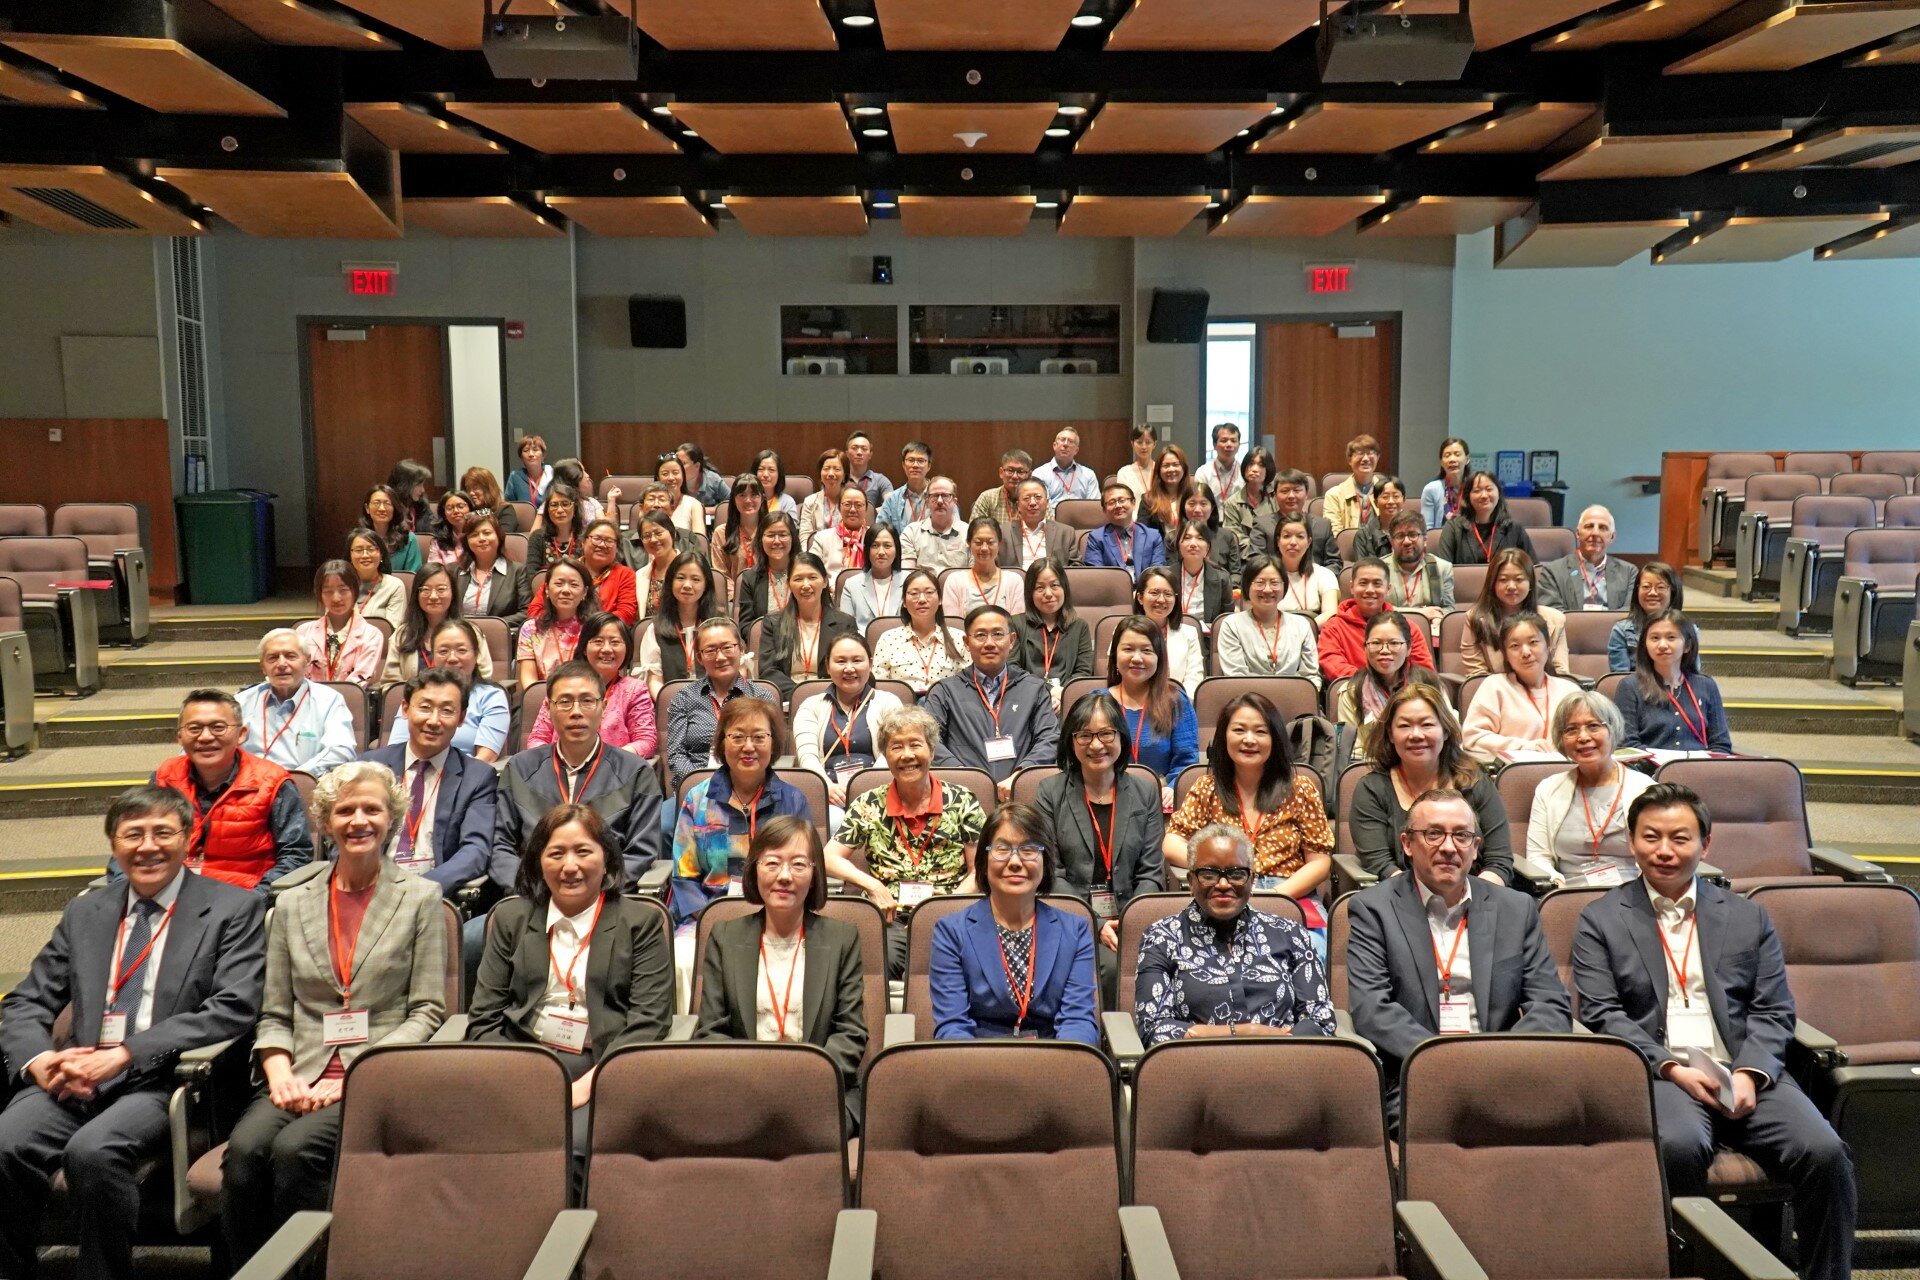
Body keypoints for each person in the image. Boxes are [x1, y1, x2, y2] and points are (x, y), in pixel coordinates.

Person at [1573, 784, 1856, 1280]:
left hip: (1745, 1069)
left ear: (1706, 844)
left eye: (1680, 838)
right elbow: (1601, 1013)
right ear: (1631, 842)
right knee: (1677, 1147)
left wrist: (1749, 1073)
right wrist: (1672, 1068)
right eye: (1651, 837)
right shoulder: (1601, 919)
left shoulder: (1748, 916)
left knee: (1826, 1153)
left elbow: (1774, 1010)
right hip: (1663, 1073)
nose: (1664, 850)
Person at [0, 787, 266, 1280]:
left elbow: (233, 1007)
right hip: (73, 1074)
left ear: (189, 838)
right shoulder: (87, 912)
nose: (148, 846)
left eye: (163, 832)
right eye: (133, 834)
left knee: (93, 1153)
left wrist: (125, 1053)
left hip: (161, 1077)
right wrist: (39, 1061)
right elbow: (27, 999)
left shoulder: (233, 909)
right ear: (114, 844)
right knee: (5, 1142)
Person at [219, 761, 446, 1265]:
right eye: (344, 810)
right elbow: (275, 1012)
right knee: (244, 1153)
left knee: (295, 1152)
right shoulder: (290, 904)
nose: (358, 820)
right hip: (299, 1071)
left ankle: (307, 1270)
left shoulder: (421, 900)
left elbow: (428, 1012)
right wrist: (279, 1074)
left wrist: (357, 1074)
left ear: (392, 819)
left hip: (378, 1073)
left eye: (372, 809)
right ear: (324, 823)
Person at [1345, 787, 1571, 1117]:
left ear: (1476, 848)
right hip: (1418, 1077)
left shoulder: (1515, 908)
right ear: (1407, 844)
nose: (1449, 848)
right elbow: (1371, 1009)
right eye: (1434, 834)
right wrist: (1445, 1063)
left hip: (1504, 1075)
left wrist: (1497, 1062)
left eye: (1461, 836)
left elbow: (1550, 1005)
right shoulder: (1373, 909)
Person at [469, 803, 671, 1150]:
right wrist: (532, 1081)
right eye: (556, 854)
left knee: (572, 1145)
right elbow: (483, 1021)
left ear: (606, 858)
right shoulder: (511, 918)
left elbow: (648, 1023)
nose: (570, 867)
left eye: (583, 852)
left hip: (604, 1062)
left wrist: (590, 1083)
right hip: (522, 1060)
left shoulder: (640, 922)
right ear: (537, 861)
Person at [695, 817, 868, 1104]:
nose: (785, 876)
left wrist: (805, 1082)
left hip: (818, 1093)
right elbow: (711, 1032)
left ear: (815, 874)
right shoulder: (725, 937)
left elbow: (850, 1033)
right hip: (743, 1093)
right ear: (755, 870)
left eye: (798, 864)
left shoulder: (842, 938)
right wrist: (758, 1084)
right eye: (772, 863)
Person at [1135, 823, 1334, 1046]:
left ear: (1252, 880)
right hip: (1198, 1069)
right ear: (1191, 881)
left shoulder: (1290, 933)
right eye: (1209, 874)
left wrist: (1278, 1048)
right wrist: (1248, 1032)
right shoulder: (1162, 937)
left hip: (1284, 1065)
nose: (1222, 884)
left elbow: (1321, 1019)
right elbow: (1153, 1028)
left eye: (1236, 874)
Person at [824, 706, 987, 977]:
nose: (907, 755)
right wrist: (873, 886)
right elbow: (828, 857)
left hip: (952, 914)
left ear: (932, 751)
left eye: (915, 745)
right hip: (891, 920)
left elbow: (979, 870)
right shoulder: (869, 803)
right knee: (875, 963)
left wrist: (942, 909)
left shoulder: (962, 800)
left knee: (970, 968)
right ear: (886, 756)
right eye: (896, 747)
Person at [929, 804, 1099, 1045]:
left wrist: (1063, 1070)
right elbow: (952, 1025)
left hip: (1055, 1061)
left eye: (1029, 850)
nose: (1015, 862)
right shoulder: (951, 932)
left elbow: (1078, 1020)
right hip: (978, 1063)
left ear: (1045, 860)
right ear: (983, 860)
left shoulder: (1075, 931)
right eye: (1002, 849)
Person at [1036, 692, 1166, 1003]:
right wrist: (1096, 923)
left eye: (1106, 733)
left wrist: (1131, 921)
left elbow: (1151, 870)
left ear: (1121, 737)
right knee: (1109, 966)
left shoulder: (1144, 790)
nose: (1096, 745)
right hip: (1072, 914)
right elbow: (1051, 872)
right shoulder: (1050, 792)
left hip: (1132, 913)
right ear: (1071, 741)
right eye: (1085, 735)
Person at [494, 661, 664, 896]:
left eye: (587, 701)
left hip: (606, 902)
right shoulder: (520, 769)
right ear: (548, 708)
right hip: (532, 900)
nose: (576, 712)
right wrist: (535, 891)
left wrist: (589, 895)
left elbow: (641, 853)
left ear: (603, 707)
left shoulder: (635, 772)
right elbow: (500, 847)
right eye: (564, 702)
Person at [1162, 694, 1333, 923]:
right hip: (1222, 891)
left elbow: (1320, 862)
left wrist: (1275, 896)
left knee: (1312, 954)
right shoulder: (1207, 787)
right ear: (1224, 736)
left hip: (1287, 892)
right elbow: (1172, 843)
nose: (1249, 740)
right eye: (1239, 730)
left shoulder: (1300, 789)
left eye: (1261, 732)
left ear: (1275, 739)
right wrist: (1219, 870)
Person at [668, 696, 812, 925]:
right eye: (737, 737)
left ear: (773, 743)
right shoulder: (697, 799)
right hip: (707, 917)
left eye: (758, 737)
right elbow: (685, 877)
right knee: (685, 960)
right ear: (722, 743)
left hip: (778, 918)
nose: (748, 747)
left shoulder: (793, 801)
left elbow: (804, 872)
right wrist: (712, 921)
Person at [1349, 684, 1512, 884]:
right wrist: (1422, 901)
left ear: (1445, 730)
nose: (1416, 734)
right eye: (1404, 725)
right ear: (1390, 734)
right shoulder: (1372, 789)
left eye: (1427, 725)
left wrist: (1470, 902)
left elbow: (1499, 862)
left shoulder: (1475, 782)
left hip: (1475, 898)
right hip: (1403, 901)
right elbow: (1380, 864)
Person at [150, 690, 311, 893]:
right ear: (180, 737)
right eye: (194, 728)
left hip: (242, 899)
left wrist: (254, 901)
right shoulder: (165, 777)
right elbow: (134, 839)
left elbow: (296, 855)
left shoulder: (272, 781)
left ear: (241, 734)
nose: (206, 737)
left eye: (218, 727)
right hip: (171, 895)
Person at [357, 669, 499, 895]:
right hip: (370, 890)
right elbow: (347, 837)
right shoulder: (370, 766)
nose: (434, 720)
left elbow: (476, 851)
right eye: (425, 707)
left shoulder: (477, 777)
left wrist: (420, 890)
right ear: (405, 709)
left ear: (461, 718)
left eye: (447, 711)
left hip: (434, 894)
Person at [922, 604, 1059, 800]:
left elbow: (1049, 738)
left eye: (997, 634)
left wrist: (1021, 775)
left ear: (1011, 641)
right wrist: (965, 777)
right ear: (966, 642)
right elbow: (929, 740)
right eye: (980, 635)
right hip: (962, 797)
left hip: (1020, 795)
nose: (989, 643)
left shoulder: (1033, 688)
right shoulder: (945, 691)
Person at [1529, 691, 1654, 887]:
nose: (1583, 737)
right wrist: (1555, 884)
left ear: (1612, 730)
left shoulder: (1644, 788)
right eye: (1571, 730)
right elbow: (1538, 857)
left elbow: (1656, 855)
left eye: (1594, 726)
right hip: (1568, 895)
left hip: (1633, 896)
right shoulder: (1548, 789)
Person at [663, 618, 779, 792]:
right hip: (697, 791)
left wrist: (737, 786)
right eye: (710, 650)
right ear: (700, 658)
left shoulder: (761, 697)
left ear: (741, 649)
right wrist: (706, 787)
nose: (720, 657)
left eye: (727, 648)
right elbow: (676, 755)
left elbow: (772, 750)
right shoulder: (684, 698)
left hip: (750, 789)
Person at [794, 633, 904, 811]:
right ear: (827, 667)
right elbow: (807, 757)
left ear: (870, 663)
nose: (849, 668)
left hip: (880, 792)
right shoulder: (811, 706)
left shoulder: (889, 703)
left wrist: (866, 788)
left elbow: (892, 753)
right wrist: (826, 787)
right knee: (834, 820)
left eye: (857, 660)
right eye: (841, 661)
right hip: (829, 794)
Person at [1461, 612, 1584, 764]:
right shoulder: (1495, 687)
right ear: (1505, 654)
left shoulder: (1570, 691)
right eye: (1514, 646)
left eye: (1533, 642)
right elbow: (1473, 737)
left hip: (1567, 771)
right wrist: (1524, 746)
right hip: (1516, 775)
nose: (1525, 652)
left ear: (1548, 646)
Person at [527, 613, 657, 757]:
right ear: (584, 647)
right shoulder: (563, 686)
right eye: (598, 641)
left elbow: (646, 741)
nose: (607, 649)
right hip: (560, 772)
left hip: (614, 773)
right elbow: (537, 739)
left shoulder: (635, 690)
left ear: (627, 649)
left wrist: (607, 760)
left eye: (615, 642)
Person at [385, 619, 508, 762]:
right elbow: (395, 749)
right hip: (411, 774)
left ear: (475, 655)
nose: (452, 658)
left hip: (463, 778)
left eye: (461, 650)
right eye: (443, 651)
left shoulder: (491, 697)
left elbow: (485, 758)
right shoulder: (418, 694)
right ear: (433, 656)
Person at [238, 629, 357, 775]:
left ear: (307, 661)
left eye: (290, 656)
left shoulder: (329, 700)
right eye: (273, 658)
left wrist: (296, 778)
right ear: (263, 667)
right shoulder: (241, 702)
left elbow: (341, 750)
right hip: (250, 786)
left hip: (304, 786)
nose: (281, 664)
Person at [1105, 616, 1199, 798]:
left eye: (1147, 650)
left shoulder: (1176, 701)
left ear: (1159, 657)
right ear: (1115, 655)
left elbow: (1186, 760)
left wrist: (1172, 788)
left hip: (1159, 796)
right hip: (1106, 795)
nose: (1137, 658)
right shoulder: (1097, 702)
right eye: (1128, 649)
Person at [1616, 610, 1734, 754]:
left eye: (1671, 638)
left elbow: (1721, 744)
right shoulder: (1630, 686)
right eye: (1654, 638)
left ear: (1687, 646)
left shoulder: (1706, 685)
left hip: (1698, 770)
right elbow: (1626, 744)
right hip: (1649, 771)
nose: (1662, 645)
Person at [1334, 612, 1447, 758]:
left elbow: (1450, 734)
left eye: (1394, 643)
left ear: (1409, 648)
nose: (1385, 650)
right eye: (1376, 643)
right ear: (1365, 648)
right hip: (1376, 770)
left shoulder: (1430, 685)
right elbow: (1353, 751)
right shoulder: (1352, 692)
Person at [757, 552, 861, 702]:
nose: (806, 585)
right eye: (798, 579)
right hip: (787, 701)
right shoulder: (773, 623)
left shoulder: (845, 623)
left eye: (812, 578)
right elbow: (768, 671)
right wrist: (801, 695)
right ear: (789, 585)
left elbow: (850, 668)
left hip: (832, 699)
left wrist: (822, 696)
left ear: (825, 581)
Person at [1317, 557, 1436, 681]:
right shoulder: (1334, 627)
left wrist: (1395, 687)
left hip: (1403, 695)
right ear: (1351, 587)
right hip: (1355, 693)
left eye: (1377, 584)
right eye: (1363, 583)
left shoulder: (1408, 627)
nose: (1370, 590)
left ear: (1388, 589)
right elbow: (1333, 666)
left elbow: (1424, 671)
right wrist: (1374, 685)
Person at [1461, 547, 1570, 679]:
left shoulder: (1555, 620)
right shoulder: (1476, 619)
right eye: (1503, 580)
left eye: (1519, 579)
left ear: (1530, 583)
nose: (1511, 586)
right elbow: (1477, 677)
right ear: (1492, 584)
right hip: (1497, 694)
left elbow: (1561, 673)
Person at [383, 563, 496, 687]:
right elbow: (391, 686)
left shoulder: (471, 632)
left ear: (453, 592)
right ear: (416, 595)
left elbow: (484, 678)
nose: (433, 596)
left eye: (441, 589)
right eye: (425, 590)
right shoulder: (402, 635)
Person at [1215, 555, 1319, 684]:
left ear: (1284, 586)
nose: (1268, 589)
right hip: (1248, 700)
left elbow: (1311, 676)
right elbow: (1237, 678)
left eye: (1275, 583)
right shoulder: (1232, 625)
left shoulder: (1301, 625)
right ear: (1247, 586)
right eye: (1260, 583)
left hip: (1292, 700)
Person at [871, 568, 969, 694]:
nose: (922, 599)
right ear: (904, 602)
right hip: (901, 709)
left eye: (929, 592)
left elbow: (966, 686)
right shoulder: (888, 638)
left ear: (939, 600)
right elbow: (880, 687)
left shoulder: (958, 638)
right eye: (914, 594)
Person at [634, 552, 719, 697]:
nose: (687, 585)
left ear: (706, 585)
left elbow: (735, 672)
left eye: (696, 579)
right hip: (672, 709)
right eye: (680, 578)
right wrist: (674, 707)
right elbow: (654, 681)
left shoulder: (720, 626)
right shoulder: (655, 630)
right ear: (670, 582)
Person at [1011, 556, 1093, 705]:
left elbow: (1083, 672)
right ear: (1030, 593)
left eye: (1054, 585)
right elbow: (1012, 669)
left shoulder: (1080, 627)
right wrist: (1048, 690)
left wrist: (1064, 694)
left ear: (1064, 588)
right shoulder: (1015, 624)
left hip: (1067, 701)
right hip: (1025, 700)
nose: (1048, 593)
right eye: (1040, 587)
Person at [294, 559, 386, 690]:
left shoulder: (372, 635)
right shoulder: (303, 632)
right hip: (308, 703)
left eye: (343, 590)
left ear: (355, 591)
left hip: (349, 705)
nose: (336, 598)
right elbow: (297, 675)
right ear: (319, 594)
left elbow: (360, 680)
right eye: (328, 591)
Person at [1538, 505, 1636, 612]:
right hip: (1570, 628)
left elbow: (1630, 613)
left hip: (1614, 629)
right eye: (1589, 526)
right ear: (1578, 533)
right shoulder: (1552, 572)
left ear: (1612, 537)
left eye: (1603, 528)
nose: (1595, 533)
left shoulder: (1629, 572)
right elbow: (1552, 614)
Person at [516, 558, 595, 687]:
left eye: (574, 585)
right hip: (542, 700)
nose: (565, 590)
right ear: (547, 589)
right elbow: (528, 678)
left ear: (585, 592)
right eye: (559, 584)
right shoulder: (531, 629)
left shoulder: (595, 628)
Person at [1437, 468, 1534, 567]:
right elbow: (1442, 571)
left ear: (1498, 493)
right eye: (1477, 490)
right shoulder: (1453, 528)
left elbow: (1531, 569)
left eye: (1489, 489)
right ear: (1468, 496)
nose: (1484, 495)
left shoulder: (1514, 529)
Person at [1134, 566, 1205, 697]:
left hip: (1177, 704)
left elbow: (1194, 677)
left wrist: (1181, 702)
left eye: (1168, 594)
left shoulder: (1189, 633)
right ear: (1140, 597)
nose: (1161, 600)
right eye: (1154, 593)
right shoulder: (1124, 631)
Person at [1252, 468, 1341, 571]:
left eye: (1297, 490)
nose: (1291, 496)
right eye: (1285, 491)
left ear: (1306, 493)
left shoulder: (1323, 525)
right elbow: (1256, 562)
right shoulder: (1262, 525)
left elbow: (1334, 562)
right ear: (1275, 495)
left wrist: (1318, 580)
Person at [454, 511, 527, 633]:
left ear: (499, 536)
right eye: (474, 535)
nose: (481, 539)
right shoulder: (454, 571)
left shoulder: (517, 571)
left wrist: (489, 626)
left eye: (487, 533)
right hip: (459, 637)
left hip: (499, 637)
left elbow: (526, 612)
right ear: (467, 541)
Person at [1383, 509, 1455, 630]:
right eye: (1400, 536)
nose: (1406, 541)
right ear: (1391, 541)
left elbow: (1448, 609)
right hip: (1390, 631)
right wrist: (1421, 614)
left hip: (1429, 633)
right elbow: (1378, 608)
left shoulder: (1442, 568)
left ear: (1425, 540)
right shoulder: (1380, 569)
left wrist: (1439, 617)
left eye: (1412, 535)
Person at [1610, 562, 1686, 673]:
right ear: (1637, 591)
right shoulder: (1621, 631)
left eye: (1660, 587)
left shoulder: (1687, 630)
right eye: (1646, 587)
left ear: (1673, 591)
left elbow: (1692, 676)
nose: (1652, 593)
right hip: (1636, 689)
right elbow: (1620, 680)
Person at [942, 518, 1025, 617]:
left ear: (999, 544)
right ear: (968, 543)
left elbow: (1017, 625)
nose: (984, 548)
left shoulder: (1014, 581)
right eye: (978, 542)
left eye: (990, 542)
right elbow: (953, 627)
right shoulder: (954, 581)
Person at [1083, 479, 1166, 577]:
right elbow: (1096, 576)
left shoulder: (1153, 536)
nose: (1118, 505)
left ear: (1134, 503)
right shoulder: (1096, 538)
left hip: (1145, 590)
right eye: (1111, 502)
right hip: (1112, 590)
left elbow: (1157, 573)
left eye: (1122, 500)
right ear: (1104, 510)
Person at [1266, 513, 1340, 623]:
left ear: (1309, 542)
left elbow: (1331, 613)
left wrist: (1303, 631)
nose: (1293, 542)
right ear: (1278, 541)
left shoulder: (1324, 574)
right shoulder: (1265, 575)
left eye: (1300, 536)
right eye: (1287, 536)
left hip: (1314, 634)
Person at [734, 512, 799, 636]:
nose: (776, 541)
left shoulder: (805, 573)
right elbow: (746, 626)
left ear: (793, 538)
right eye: (770, 535)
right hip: (765, 645)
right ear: (761, 539)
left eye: (783, 535)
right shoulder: (750, 578)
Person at [1000, 477, 1078, 570]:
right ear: (1018, 506)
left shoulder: (1065, 533)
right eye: (1026, 498)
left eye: (1038, 497)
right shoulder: (1002, 532)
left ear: (1047, 503)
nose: (1032, 503)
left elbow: (1076, 568)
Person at [1170, 519, 1233, 631]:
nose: (1193, 544)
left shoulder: (1222, 579)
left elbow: (1226, 620)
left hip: (1208, 641)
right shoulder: (1167, 578)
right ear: (1179, 545)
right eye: (1187, 538)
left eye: (1200, 538)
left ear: (1208, 548)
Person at [837, 524, 903, 631]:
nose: (881, 552)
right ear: (867, 550)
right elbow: (846, 629)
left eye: (887, 546)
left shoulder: (910, 582)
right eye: (875, 546)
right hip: (862, 645)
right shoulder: (851, 585)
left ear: (897, 550)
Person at [899, 474, 970, 572]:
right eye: (935, 496)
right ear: (927, 501)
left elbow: (974, 576)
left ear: (954, 501)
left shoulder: (969, 533)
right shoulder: (911, 532)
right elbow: (907, 573)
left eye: (945, 496)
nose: (940, 501)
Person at [1219, 444, 1275, 564]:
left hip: (1275, 559)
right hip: (1245, 561)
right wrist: (1258, 555)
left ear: (1268, 470)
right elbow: (1234, 538)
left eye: (1261, 465)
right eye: (1250, 464)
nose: (1254, 469)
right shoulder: (1232, 503)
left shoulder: (1275, 498)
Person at [1322, 434, 1385, 534]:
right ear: (1349, 460)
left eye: (1370, 453)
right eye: (1360, 453)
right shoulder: (1334, 495)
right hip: (1347, 548)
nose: (1365, 458)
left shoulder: (1387, 493)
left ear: (1378, 457)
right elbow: (1334, 534)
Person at [344, 531, 406, 630]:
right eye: (358, 550)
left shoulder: (394, 586)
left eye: (371, 549)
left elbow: (392, 630)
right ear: (350, 555)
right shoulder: (339, 585)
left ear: (381, 554)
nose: (365, 555)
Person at [1179, 484, 1240, 580]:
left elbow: (1235, 574)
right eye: (1192, 504)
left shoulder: (1227, 536)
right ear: (1183, 507)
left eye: (1203, 504)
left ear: (1212, 508)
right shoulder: (1173, 538)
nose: (1197, 510)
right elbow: (1172, 572)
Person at [356, 483, 421, 574]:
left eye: (387, 503)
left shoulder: (409, 539)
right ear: (367, 508)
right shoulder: (357, 540)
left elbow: (412, 578)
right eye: (376, 503)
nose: (382, 509)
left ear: (394, 508)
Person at [710, 471, 765, 578]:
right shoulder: (721, 533)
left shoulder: (771, 531)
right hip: (734, 593)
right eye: (742, 495)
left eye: (754, 495)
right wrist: (736, 594)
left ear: (762, 498)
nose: (748, 500)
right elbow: (722, 577)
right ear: (734, 500)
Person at [809, 485, 872, 575]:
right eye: (847, 504)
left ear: (866, 509)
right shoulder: (822, 538)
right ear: (839, 508)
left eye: (858, 505)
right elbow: (811, 569)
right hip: (831, 587)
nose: (853, 510)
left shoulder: (875, 537)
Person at [876, 439, 933, 532]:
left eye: (921, 460)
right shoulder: (892, 500)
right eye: (911, 460)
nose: (915, 465)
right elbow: (880, 532)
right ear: (903, 464)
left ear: (929, 465)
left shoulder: (942, 496)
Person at [630, 511, 681, 616]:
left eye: (658, 533)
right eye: (647, 536)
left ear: (673, 533)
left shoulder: (690, 568)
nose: (653, 540)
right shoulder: (640, 575)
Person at [1139, 443, 1191, 544]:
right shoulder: (1148, 500)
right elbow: (1142, 535)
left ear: (1184, 468)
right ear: (1158, 470)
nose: (1171, 469)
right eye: (1166, 466)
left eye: (1176, 465)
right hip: (1159, 554)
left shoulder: (1193, 496)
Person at [1032, 426, 1100, 504]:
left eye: (1071, 441)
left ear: (1076, 450)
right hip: (1052, 515)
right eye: (1062, 440)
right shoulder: (1039, 474)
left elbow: (1094, 505)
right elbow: (1040, 505)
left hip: (1080, 515)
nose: (1065, 444)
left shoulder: (1088, 474)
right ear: (1054, 446)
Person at [525, 483, 586, 568]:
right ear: (547, 510)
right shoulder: (537, 537)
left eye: (565, 504)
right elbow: (531, 575)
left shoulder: (586, 537)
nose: (560, 510)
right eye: (554, 505)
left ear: (574, 508)